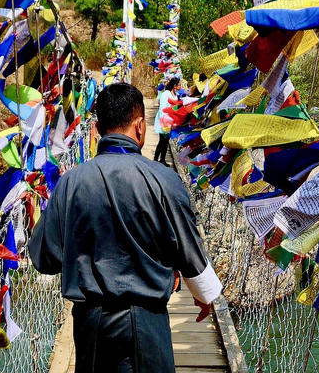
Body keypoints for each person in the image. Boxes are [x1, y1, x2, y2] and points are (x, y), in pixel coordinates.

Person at [29, 83, 222, 373]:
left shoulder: (70, 182)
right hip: (146, 322)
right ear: (141, 126)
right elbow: (188, 247)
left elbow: (45, 258)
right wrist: (203, 294)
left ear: (96, 129)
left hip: (89, 322)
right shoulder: (163, 180)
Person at [153, 77, 179, 166]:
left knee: (166, 141)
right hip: (164, 120)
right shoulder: (166, 94)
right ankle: (156, 159)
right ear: (174, 86)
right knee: (162, 141)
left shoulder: (175, 95)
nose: (180, 87)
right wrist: (164, 121)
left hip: (170, 121)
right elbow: (162, 108)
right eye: (179, 85)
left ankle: (162, 159)